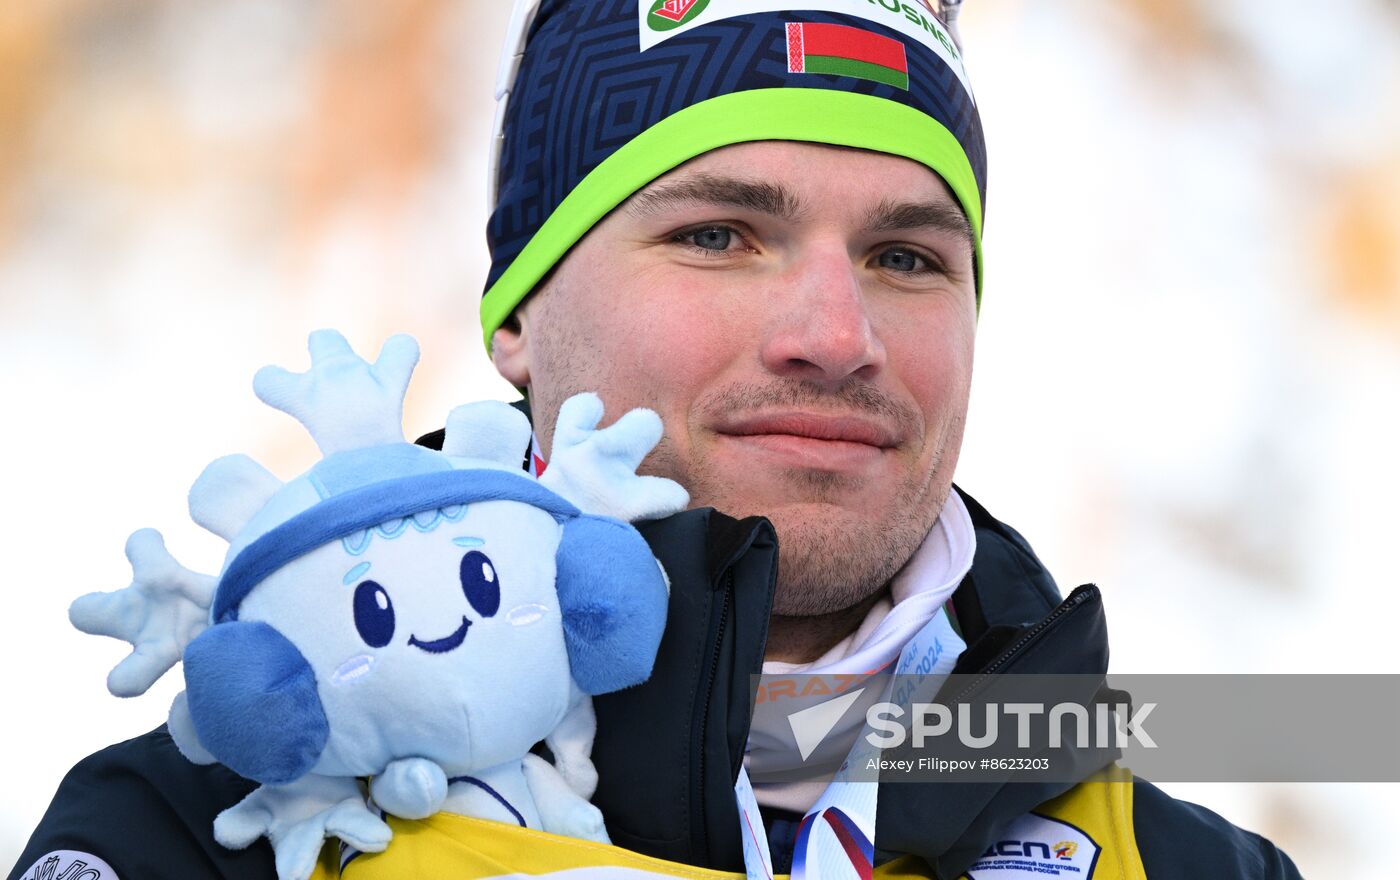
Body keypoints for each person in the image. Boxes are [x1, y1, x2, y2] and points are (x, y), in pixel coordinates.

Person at [11, 1, 1303, 878]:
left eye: (906, 255)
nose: (835, 332)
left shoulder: (1186, 860)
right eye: (719, 235)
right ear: (518, 316)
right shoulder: (218, 825)